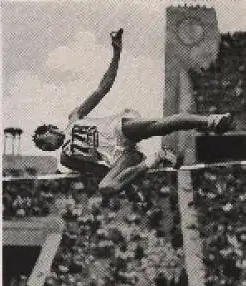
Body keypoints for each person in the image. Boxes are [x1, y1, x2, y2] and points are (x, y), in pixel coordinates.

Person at [33, 28, 234, 195]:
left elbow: (102, 88)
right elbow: (99, 170)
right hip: (120, 156)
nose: (46, 146)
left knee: (162, 125)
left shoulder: (74, 117)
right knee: (106, 188)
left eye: (44, 140)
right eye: (43, 147)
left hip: (119, 129)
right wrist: (127, 183)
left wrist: (116, 53)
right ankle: (156, 158)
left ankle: (211, 121)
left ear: (51, 128)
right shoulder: (65, 158)